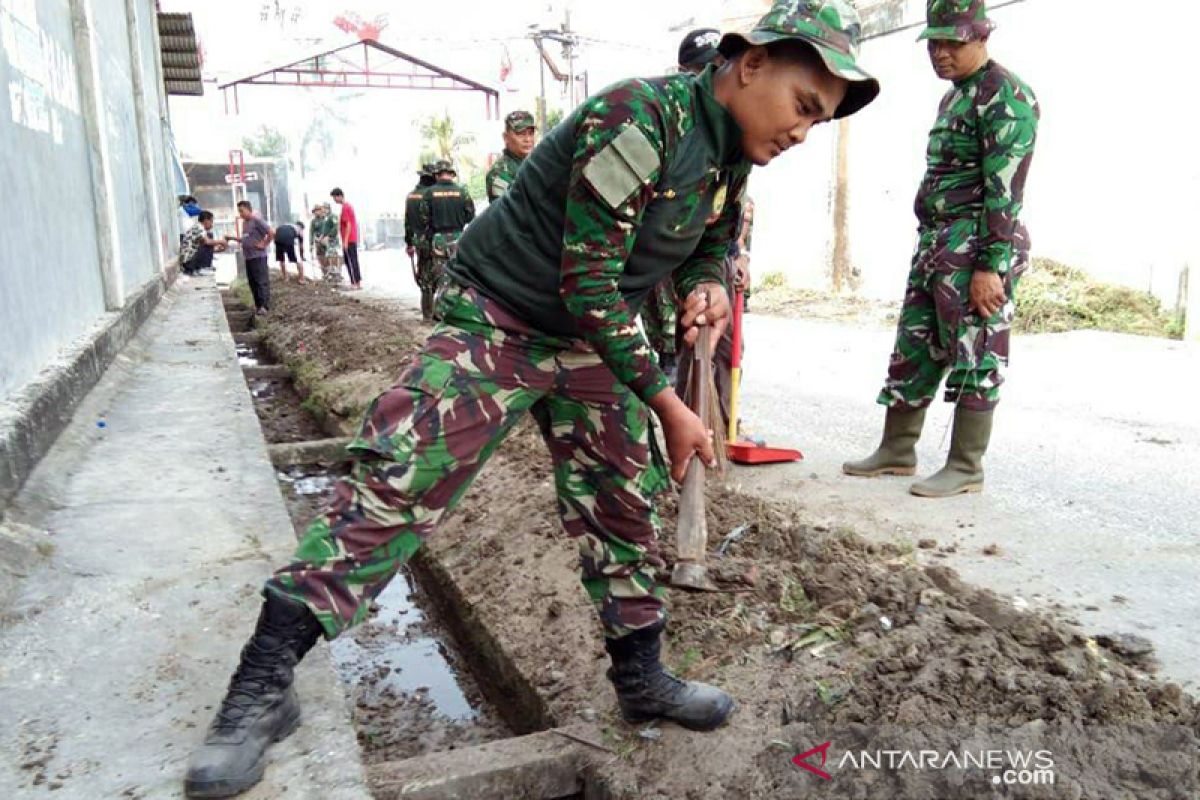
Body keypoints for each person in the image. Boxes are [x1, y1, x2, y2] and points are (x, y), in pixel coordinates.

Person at [183, 3, 878, 796]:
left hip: (589, 337)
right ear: (749, 64)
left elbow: (709, 239)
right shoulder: (641, 117)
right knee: (399, 481)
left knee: (623, 502)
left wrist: (707, 284)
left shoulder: (731, 156)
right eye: (804, 106)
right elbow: (587, 283)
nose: (803, 131)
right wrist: (668, 403)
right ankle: (259, 690)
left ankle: (642, 678)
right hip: (502, 316)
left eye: (819, 121)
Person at [843, 0, 1039, 497]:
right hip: (938, 240)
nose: (941, 52)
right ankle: (897, 449)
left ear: (981, 37)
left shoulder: (1005, 97)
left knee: (975, 347)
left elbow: (1005, 191)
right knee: (915, 344)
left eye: (953, 42)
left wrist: (990, 266)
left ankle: (966, 466)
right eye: (935, 42)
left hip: (976, 243)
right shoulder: (957, 97)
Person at [641, 27, 727, 381]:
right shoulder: (650, 124)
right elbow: (594, 284)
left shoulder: (730, 148)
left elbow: (717, 231)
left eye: (720, 67)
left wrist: (707, 278)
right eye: (702, 71)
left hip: (689, 279)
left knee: (711, 354)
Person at [424, 160, 475, 301]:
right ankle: (456, 307)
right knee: (458, 274)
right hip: (458, 237)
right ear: (452, 174)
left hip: (438, 238)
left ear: (437, 175)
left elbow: (424, 218)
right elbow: (471, 215)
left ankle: (441, 310)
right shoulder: (462, 191)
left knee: (441, 275)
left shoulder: (429, 193)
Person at [225, 200, 274, 316]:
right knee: (252, 282)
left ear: (248, 209)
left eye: (242, 211)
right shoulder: (245, 224)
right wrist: (232, 238)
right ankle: (258, 306)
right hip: (249, 257)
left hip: (258, 257)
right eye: (239, 211)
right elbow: (245, 239)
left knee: (261, 282)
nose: (240, 214)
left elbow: (271, 232)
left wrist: (264, 244)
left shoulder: (257, 220)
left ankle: (264, 306)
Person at [404, 163, 437, 319]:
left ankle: (427, 314)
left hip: (419, 242)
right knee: (438, 275)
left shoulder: (411, 196)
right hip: (434, 240)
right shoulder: (431, 195)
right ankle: (436, 311)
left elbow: (407, 223)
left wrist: (409, 243)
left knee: (424, 277)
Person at [485, 110, 536, 202]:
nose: (528, 139)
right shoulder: (499, 174)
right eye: (521, 134)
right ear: (506, 137)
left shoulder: (537, 164)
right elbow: (505, 212)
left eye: (531, 133)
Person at [330, 188, 361, 290]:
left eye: (334, 197)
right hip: (351, 238)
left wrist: (345, 241)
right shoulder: (348, 206)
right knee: (353, 260)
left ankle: (354, 283)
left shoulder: (345, 207)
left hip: (349, 239)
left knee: (350, 261)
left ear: (339, 196)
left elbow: (348, 225)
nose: (334, 200)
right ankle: (357, 282)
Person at [180, 210, 226, 276]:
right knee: (209, 238)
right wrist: (221, 242)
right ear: (206, 221)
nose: (212, 224)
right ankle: (203, 267)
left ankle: (201, 267)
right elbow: (207, 242)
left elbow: (203, 248)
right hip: (188, 261)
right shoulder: (199, 227)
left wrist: (218, 249)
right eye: (211, 221)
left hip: (189, 260)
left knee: (209, 238)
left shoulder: (198, 227)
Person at [310, 204, 342, 283]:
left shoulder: (327, 218)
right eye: (315, 211)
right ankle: (325, 274)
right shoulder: (313, 221)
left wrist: (329, 236)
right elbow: (311, 233)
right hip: (319, 242)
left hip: (328, 240)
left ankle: (334, 274)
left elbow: (334, 227)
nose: (317, 212)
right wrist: (311, 244)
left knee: (331, 256)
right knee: (321, 258)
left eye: (318, 210)